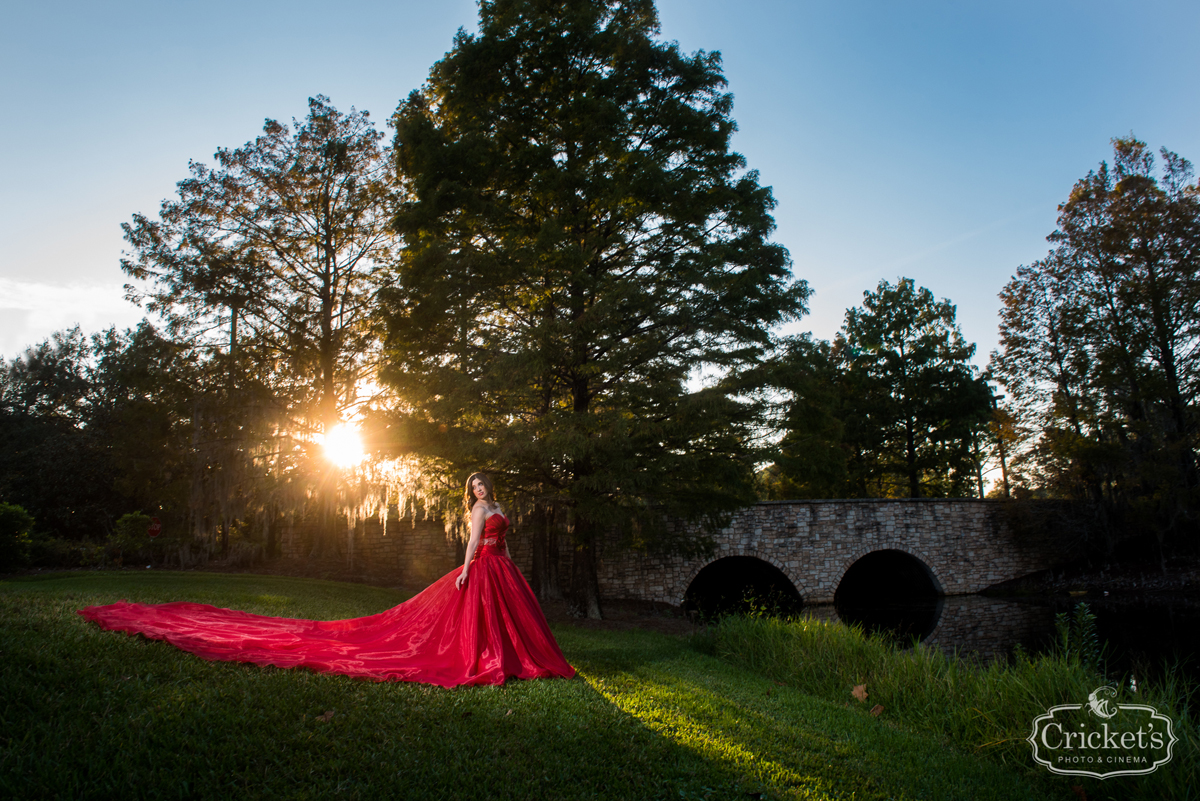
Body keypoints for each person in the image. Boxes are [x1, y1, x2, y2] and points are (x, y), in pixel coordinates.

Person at [78, 472, 575, 688]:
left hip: (503, 568)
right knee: (463, 624)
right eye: (474, 489)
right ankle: (490, 660)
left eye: (482, 485)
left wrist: (508, 560)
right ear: (471, 495)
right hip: (480, 567)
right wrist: (466, 570)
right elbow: (471, 543)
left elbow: (503, 540)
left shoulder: (501, 508)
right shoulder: (476, 513)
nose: (479, 491)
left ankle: (511, 659)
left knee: (506, 622)